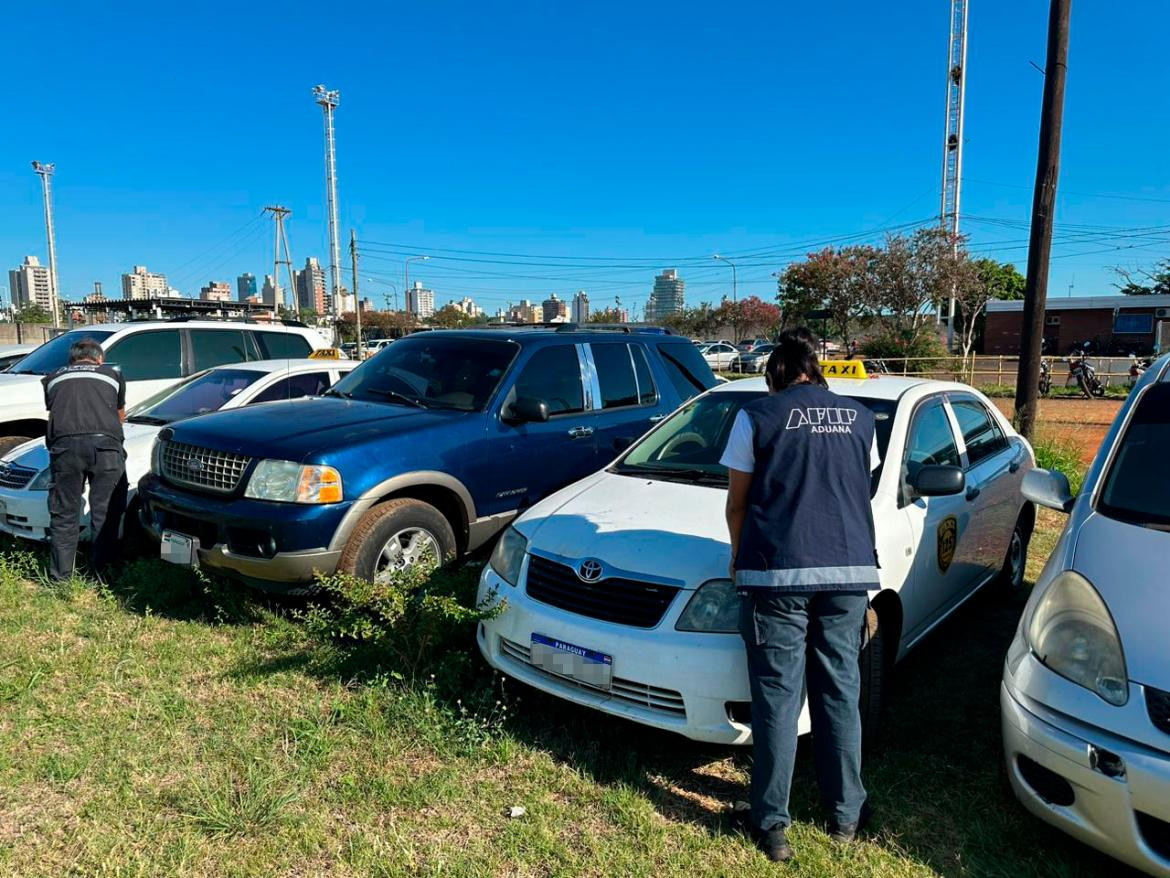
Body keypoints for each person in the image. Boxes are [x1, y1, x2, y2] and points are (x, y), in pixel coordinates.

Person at [721, 327, 880, 863]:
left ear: (776, 375)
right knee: (840, 694)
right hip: (849, 575)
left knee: (778, 701)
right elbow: (858, 487)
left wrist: (739, 556)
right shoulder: (861, 419)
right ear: (818, 370)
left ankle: (771, 826)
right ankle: (846, 816)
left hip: (777, 576)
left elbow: (737, 503)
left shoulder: (757, 418)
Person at [42, 338, 128, 581]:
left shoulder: (53, 377)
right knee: (105, 512)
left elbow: (57, 408)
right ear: (99, 358)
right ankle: (104, 575)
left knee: (64, 513)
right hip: (106, 448)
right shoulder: (112, 374)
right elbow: (119, 414)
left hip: (65, 449)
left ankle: (60, 579)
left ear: (71, 360)